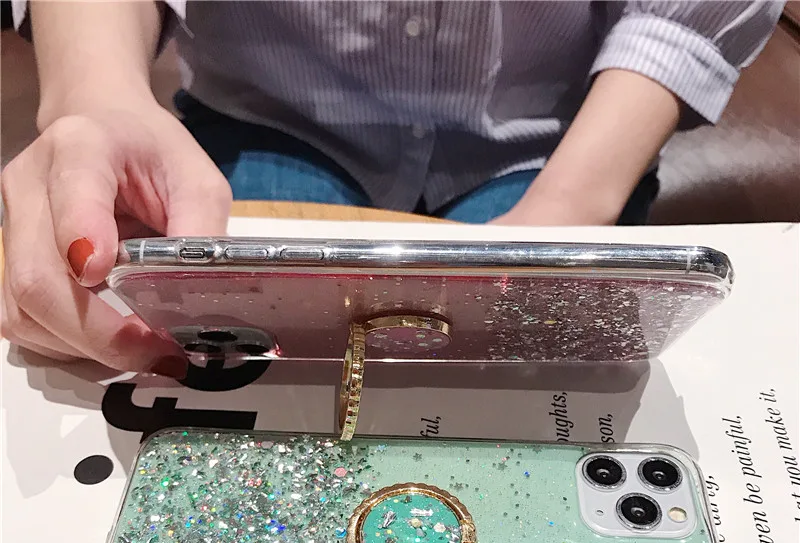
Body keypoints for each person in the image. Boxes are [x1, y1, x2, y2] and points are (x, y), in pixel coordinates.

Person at [1, 1, 783, 376]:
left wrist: (570, 204)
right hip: (279, 111)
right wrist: (95, 98)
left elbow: (681, 21)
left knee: (528, 383)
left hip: (556, 139)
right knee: (215, 364)